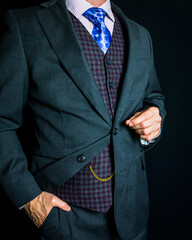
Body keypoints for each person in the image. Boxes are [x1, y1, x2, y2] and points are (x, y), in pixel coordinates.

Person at [0, 0, 166, 239]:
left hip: (133, 214)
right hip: (60, 217)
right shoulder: (24, 25)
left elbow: (154, 97)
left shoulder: (140, 35)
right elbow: (2, 120)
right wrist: (28, 198)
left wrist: (154, 118)